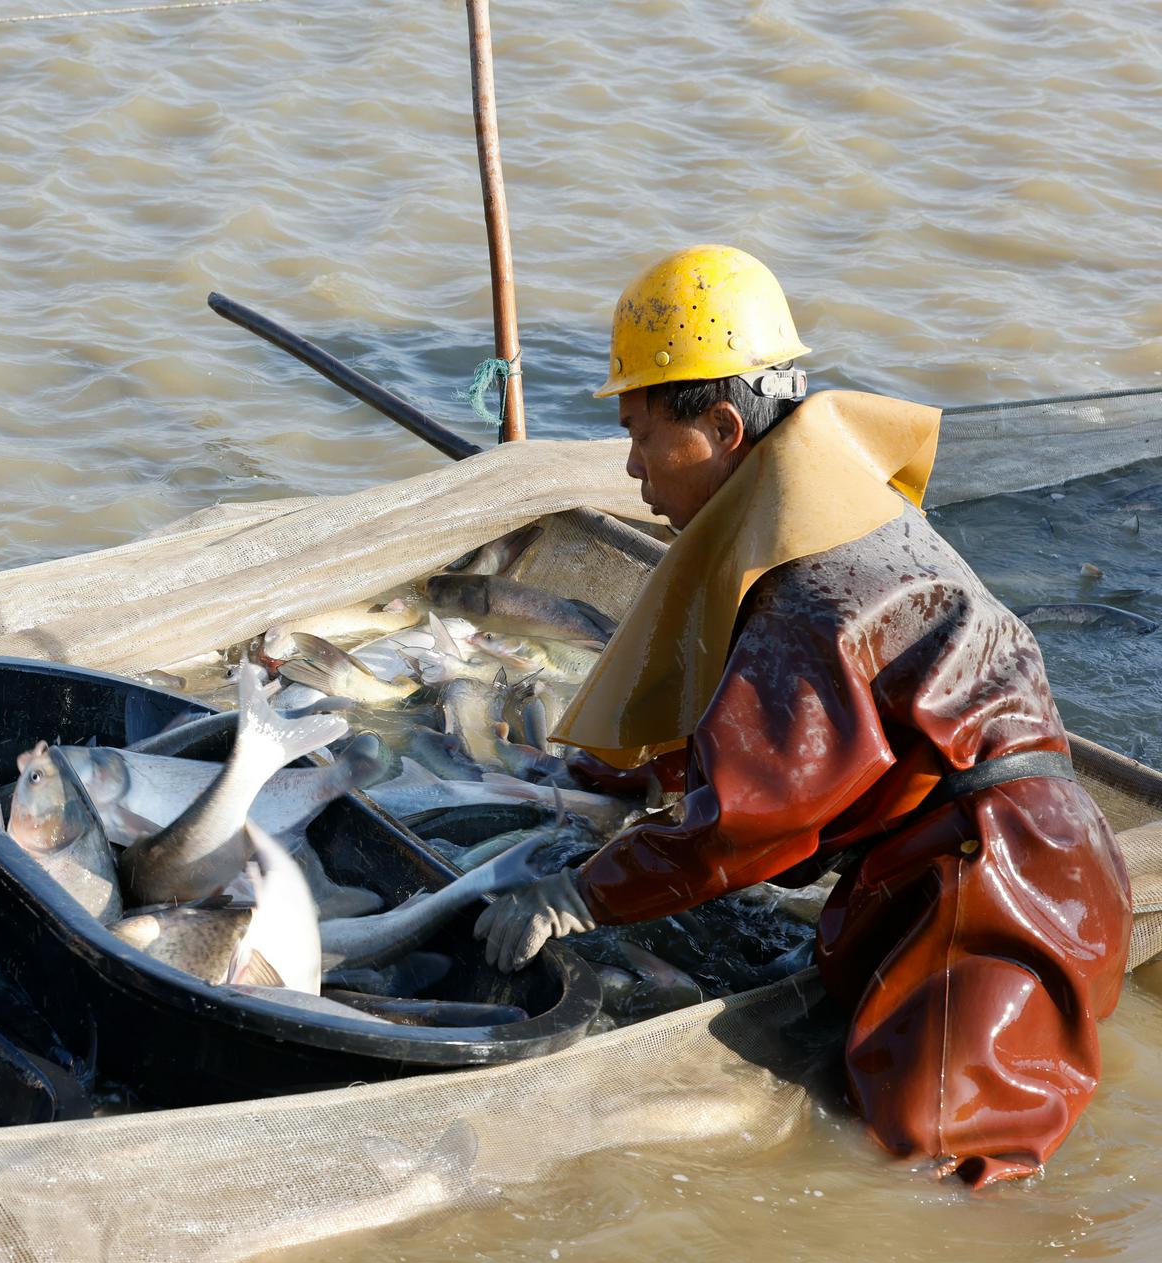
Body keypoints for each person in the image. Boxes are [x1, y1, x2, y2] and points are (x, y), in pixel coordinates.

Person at [471, 245, 1132, 1188]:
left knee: (941, 1178)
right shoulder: (836, 511)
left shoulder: (811, 583)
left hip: (994, 900)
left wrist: (582, 894)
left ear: (724, 428)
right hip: (1019, 861)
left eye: (643, 433)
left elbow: (752, 816)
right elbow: (791, 739)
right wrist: (627, 776)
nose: (631, 468)